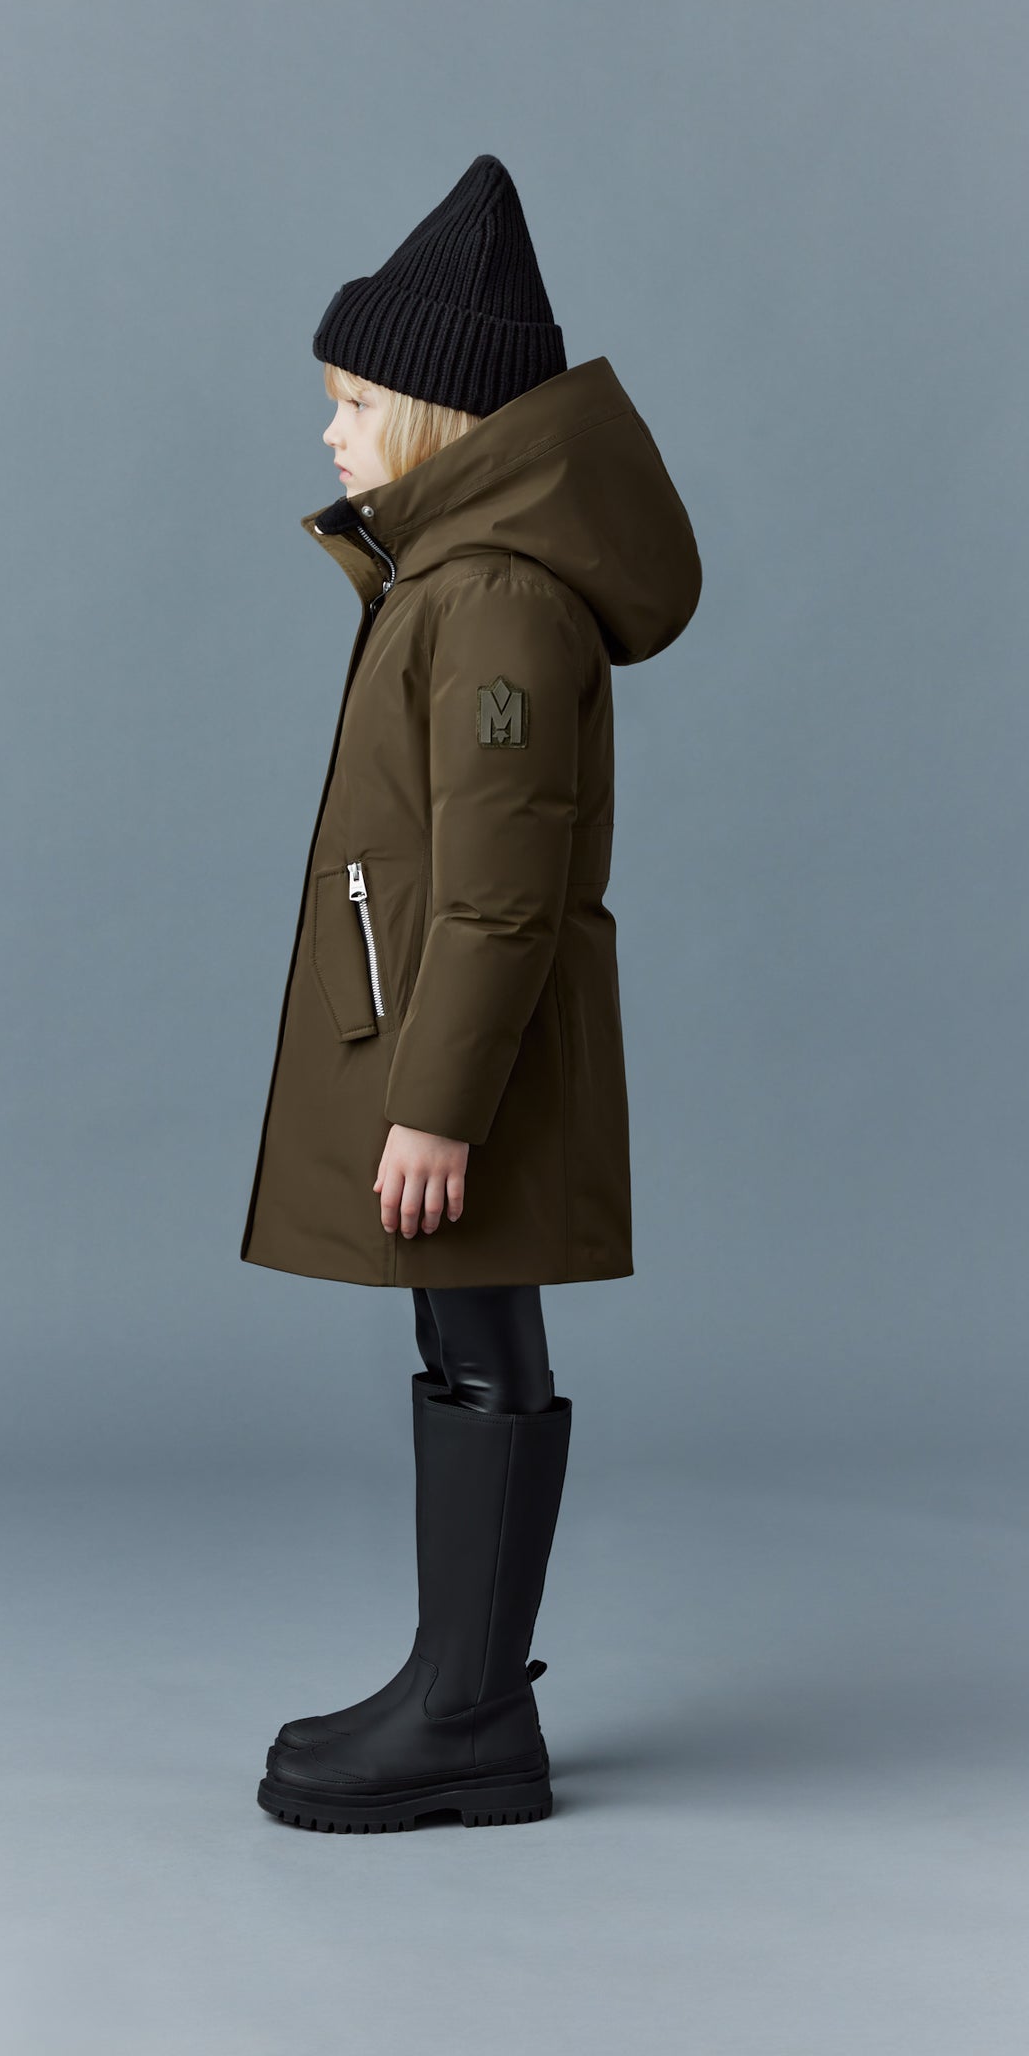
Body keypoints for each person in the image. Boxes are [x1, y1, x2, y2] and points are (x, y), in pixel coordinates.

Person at [243, 153, 703, 1833]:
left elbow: (503, 887)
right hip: (446, 1047)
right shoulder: (452, 576)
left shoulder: (497, 597)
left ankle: (469, 1716)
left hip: (472, 1065)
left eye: (357, 402)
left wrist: (435, 1105)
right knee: (462, 1325)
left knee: (485, 1328)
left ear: (442, 415)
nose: (332, 432)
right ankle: (461, 1691)